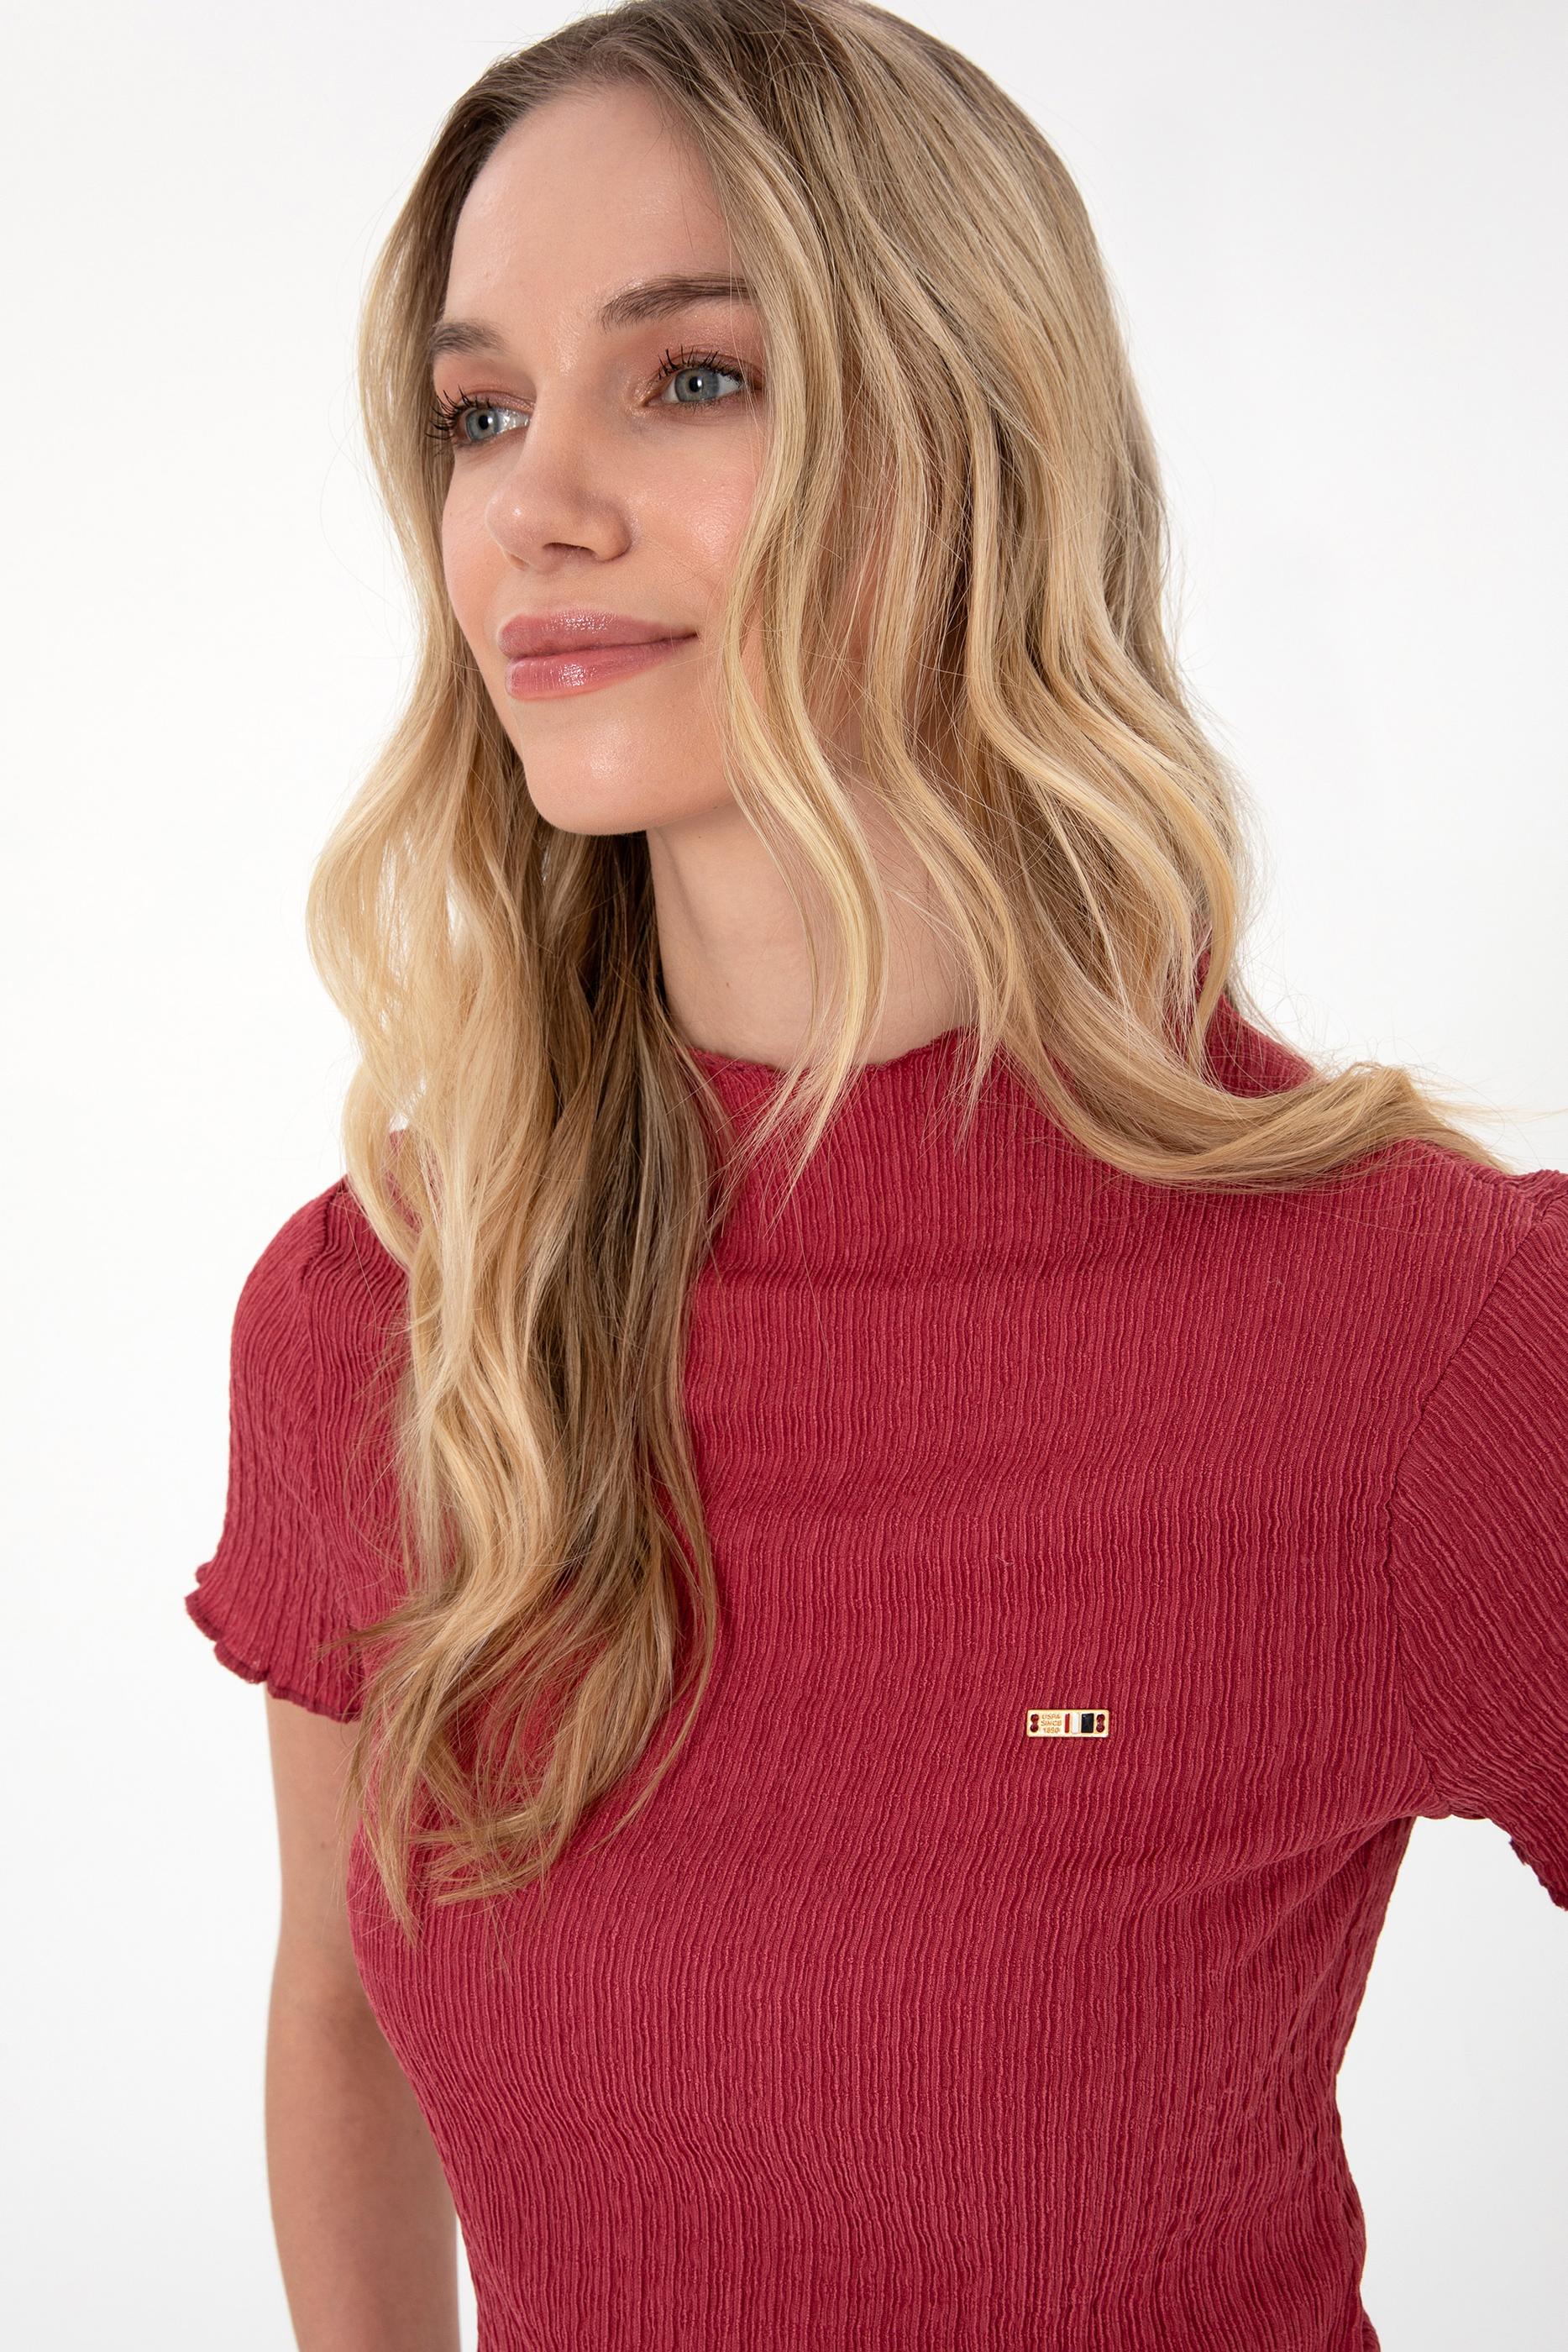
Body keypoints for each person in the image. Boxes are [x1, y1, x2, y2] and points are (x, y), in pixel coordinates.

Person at [183, 3, 1568, 2346]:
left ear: (969, 444)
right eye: (480, 411)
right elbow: (339, 2010)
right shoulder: (388, 1306)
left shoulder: (1420, 1328)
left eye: (692, 378)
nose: (534, 505)